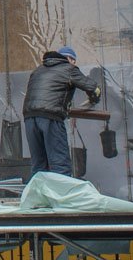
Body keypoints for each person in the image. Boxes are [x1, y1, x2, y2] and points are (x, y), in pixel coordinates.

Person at [22, 46, 100, 177]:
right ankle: (62, 197)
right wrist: (93, 101)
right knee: (60, 164)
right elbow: (93, 88)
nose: (74, 64)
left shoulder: (38, 71)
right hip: (50, 117)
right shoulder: (68, 68)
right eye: (73, 60)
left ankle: (40, 196)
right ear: (69, 59)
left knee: (39, 166)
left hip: (30, 118)